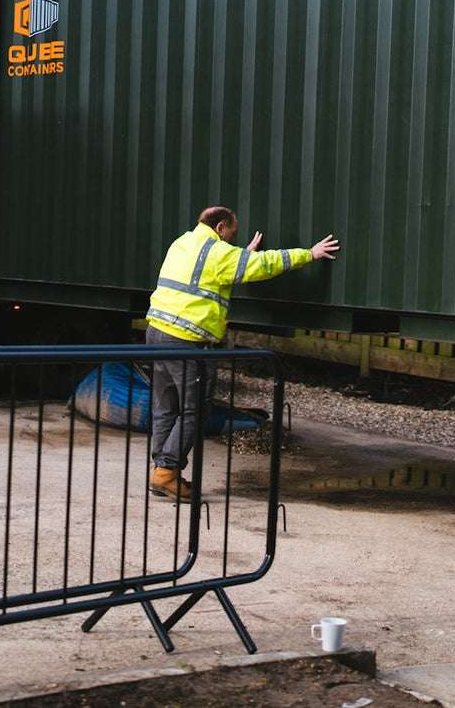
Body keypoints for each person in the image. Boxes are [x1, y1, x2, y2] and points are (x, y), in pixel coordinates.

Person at [145, 206, 339, 502]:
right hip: (186, 341)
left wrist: (240, 256)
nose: (233, 241)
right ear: (220, 227)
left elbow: (208, 272)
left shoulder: (183, 242)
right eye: (232, 235)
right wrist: (309, 254)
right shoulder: (221, 253)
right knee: (195, 409)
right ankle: (166, 471)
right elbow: (266, 264)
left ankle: (161, 469)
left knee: (165, 407)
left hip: (156, 333)